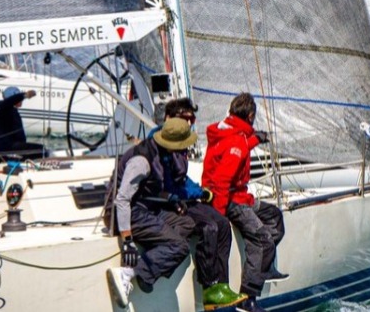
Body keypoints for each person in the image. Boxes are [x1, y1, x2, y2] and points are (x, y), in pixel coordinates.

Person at [105, 117, 246, 310]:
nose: (184, 150)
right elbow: (122, 200)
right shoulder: (142, 161)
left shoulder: (161, 153)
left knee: (188, 223)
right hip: (128, 212)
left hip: (146, 206)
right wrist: (128, 241)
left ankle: (155, 258)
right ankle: (130, 272)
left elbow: (150, 188)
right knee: (179, 246)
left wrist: (172, 198)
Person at [149, 98, 247, 311]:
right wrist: (197, 193)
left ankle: (221, 286)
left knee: (222, 224)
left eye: (192, 120)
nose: (190, 124)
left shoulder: (180, 140)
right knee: (208, 227)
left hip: (184, 195)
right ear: (169, 119)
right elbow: (165, 183)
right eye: (186, 119)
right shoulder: (159, 142)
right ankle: (208, 286)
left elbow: (181, 177)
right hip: (169, 202)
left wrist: (202, 192)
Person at [203, 93, 287, 311]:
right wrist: (218, 217)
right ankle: (248, 298)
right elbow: (223, 179)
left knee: (274, 216)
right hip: (230, 200)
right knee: (262, 239)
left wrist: (255, 139)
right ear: (250, 116)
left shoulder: (229, 131)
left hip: (239, 196)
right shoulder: (236, 141)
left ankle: (263, 266)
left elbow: (236, 149)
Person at [0, 86, 46, 160]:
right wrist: (24, 95)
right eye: (18, 99)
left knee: (32, 149)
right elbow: (8, 102)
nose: (21, 101)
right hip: (6, 150)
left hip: (6, 149)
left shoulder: (3, 110)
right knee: (41, 150)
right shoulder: (3, 109)